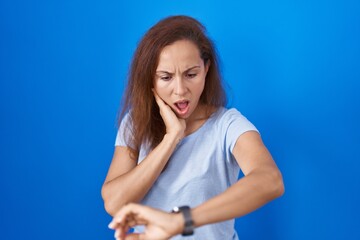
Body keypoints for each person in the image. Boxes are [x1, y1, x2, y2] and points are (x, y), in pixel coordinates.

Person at [102, 15, 284, 240]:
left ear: (206, 69)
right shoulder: (135, 122)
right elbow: (113, 203)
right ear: (150, 78)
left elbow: (270, 180)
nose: (180, 90)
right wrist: (171, 139)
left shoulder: (227, 125)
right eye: (166, 77)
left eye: (191, 74)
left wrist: (179, 221)